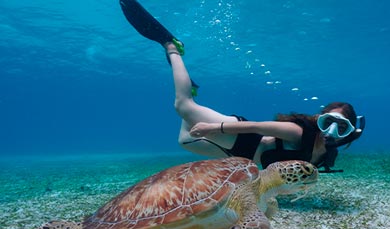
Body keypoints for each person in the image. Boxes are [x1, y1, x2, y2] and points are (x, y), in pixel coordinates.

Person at [120, 0, 365, 172]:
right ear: (318, 118)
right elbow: (257, 125)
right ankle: (171, 46)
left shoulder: (329, 153)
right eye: (328, 122)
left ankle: (191, 87)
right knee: (183, 106)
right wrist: (213, 127)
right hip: (240, 137)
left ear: (349, 131)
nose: (331, 131)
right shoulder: (298, 133)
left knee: (185, 141)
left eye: (340, 127)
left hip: (241, 155)